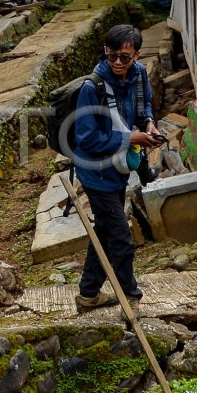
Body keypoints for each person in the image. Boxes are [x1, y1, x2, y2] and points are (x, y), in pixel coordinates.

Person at [72, 24, 160, 310]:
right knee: (122, 237)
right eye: (113, 57)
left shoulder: (139, 74)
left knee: (107, 232)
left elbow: (144, 105)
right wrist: (131, 137)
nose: (119, 63)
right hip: (96, 173)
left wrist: (148, 123)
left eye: (126, 57)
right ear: (105, 53)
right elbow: (87, 138)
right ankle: (130, 298)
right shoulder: (91, 87)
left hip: (119, 171)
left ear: (136, 54)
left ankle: (88, 294)